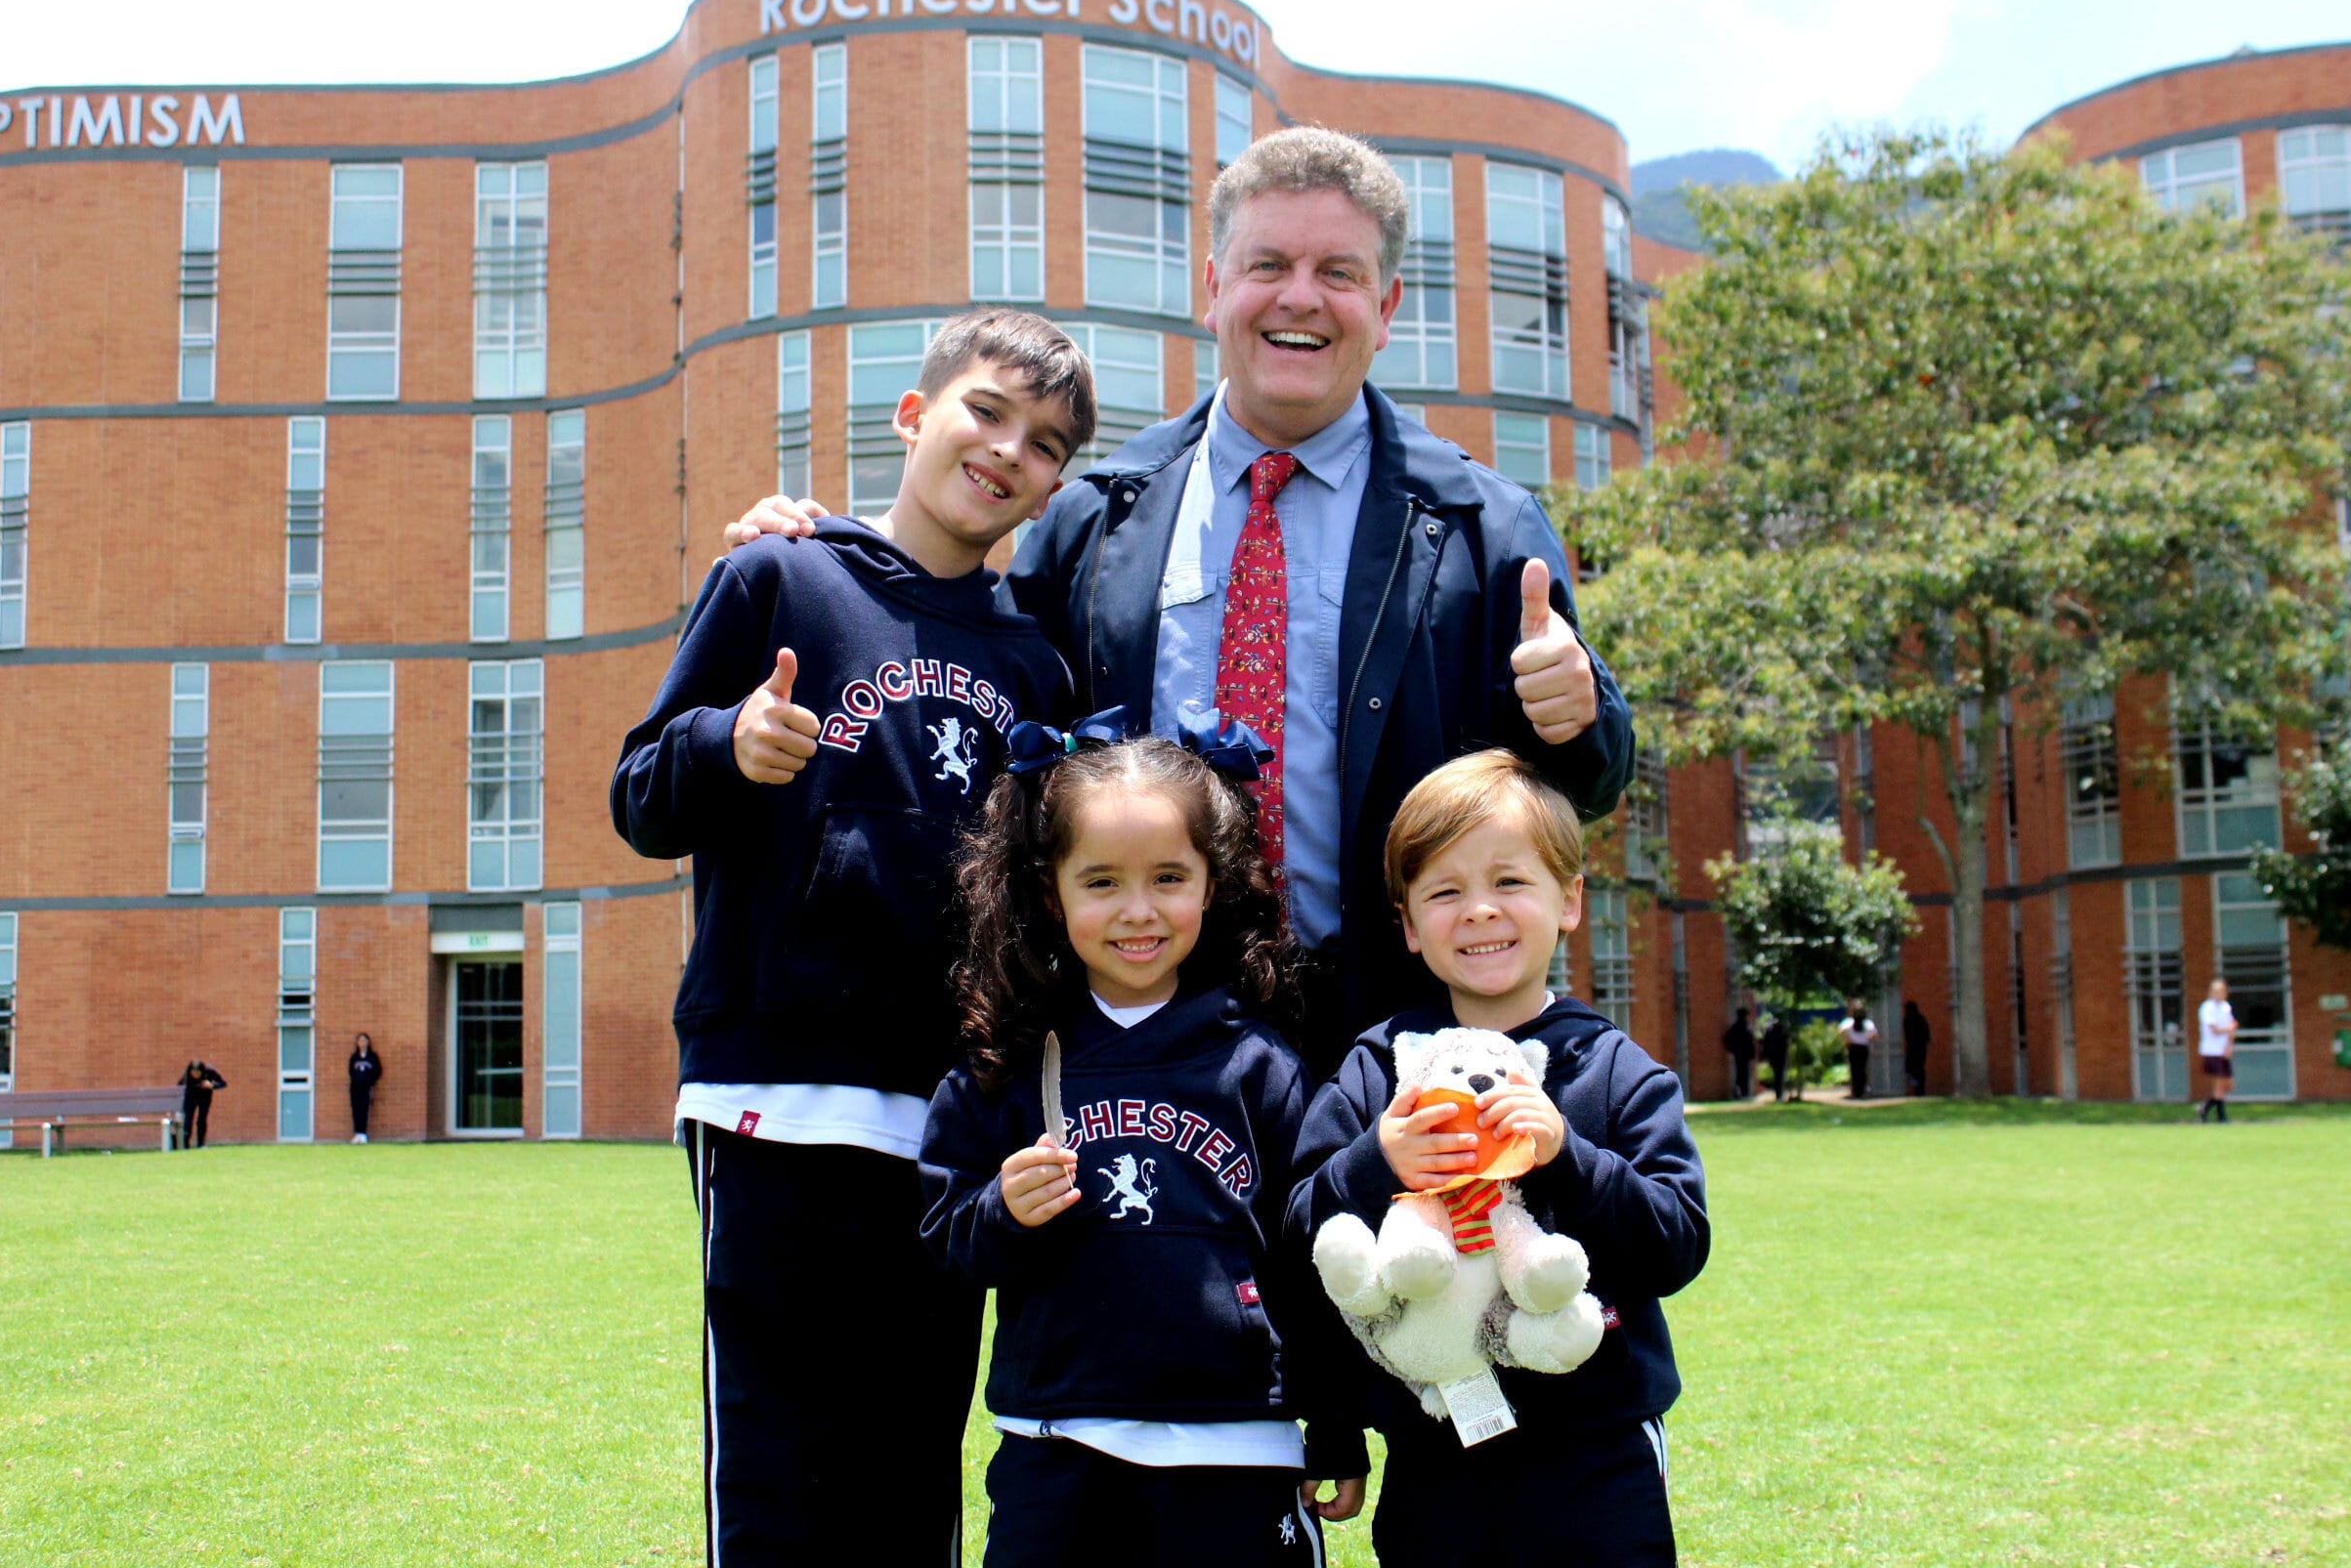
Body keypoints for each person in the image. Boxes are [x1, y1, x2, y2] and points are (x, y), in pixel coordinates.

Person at [722, 126, 1634, 1064]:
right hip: (1144, 1042)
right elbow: (976, 680)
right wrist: (834, 551)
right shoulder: (1096, 518)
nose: (1299, 298)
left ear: (1388, 304)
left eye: (1339, 272)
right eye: (1268, 263)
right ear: (1211, 287)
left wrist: (1581, 713)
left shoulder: (1483, 528)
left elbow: (1580, 788)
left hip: (1397, 1042)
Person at [610, 310, 1088, 1567]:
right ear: (915, 413)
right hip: (781, 1099)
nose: (1007, 451)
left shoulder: (1034, 668)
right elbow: (640, 797)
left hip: (947, 1124)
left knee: (911, 1470)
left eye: (1045, 445)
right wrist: (730, 745)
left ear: (1051, 489)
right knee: (778, 1476)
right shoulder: (778, 579)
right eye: (987, 410)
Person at [922, 724, 1365, 1565]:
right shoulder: (1008, 1065)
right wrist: (1002, 1211)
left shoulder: (1261, 1066)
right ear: (1052, 895)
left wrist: (1336, 1421)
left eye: (1168, 877)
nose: (1138, 910)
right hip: (1058, 1446)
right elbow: (948, 1242)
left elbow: (1314, 1259)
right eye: (1101, 881)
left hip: (1237, 1450)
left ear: (1214, 883)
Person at [1287, 749, 1707, 1568]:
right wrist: (1377, 1162)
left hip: (1597, 1449)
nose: (1479, 911)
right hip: (1433, 1446)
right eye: (1446, 892)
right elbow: (1306, 1239)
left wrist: (1566, 1156)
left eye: (1510, 882)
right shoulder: (1381, 1069)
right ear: (1408, 924)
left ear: (1570, 900)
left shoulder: (1617, 1071)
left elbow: (1676, 1245)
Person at [2197, 977, 2237, 1123]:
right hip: (2212, 1051)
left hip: (2223, 1050)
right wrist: (2229, 1028)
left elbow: (2232, 1026)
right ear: (2211, 993)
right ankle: (2221, 1116)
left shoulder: (2226, 1007)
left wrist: (2229, 1046)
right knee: (2219, 1084)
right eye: (2217, 991)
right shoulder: (2207, 1008)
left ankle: (2205, 1107)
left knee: (2228, 1084)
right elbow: (2215, 1030)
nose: (2220, 994)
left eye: (2222, 991)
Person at [178, 1059, 225, 1148]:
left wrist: (212, 1085)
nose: (196, 1075)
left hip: (205, 1098)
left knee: (201, 1120)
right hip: (190, 1098)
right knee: (188, 1120)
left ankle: (201, 1143)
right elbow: (179, 1085)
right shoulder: (187, 1075)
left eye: (198, 1072)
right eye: (193, 1072)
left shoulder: (209, 1072)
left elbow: (223, 1083)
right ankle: (185, 1144)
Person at [1837, 1004, 1877, 1101]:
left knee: (1854, 1070)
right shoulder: (1868, 1023)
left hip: (1853, 1047)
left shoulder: (1849, 1022)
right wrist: (1868, 1038)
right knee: (1863, 1070)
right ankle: (1863, 1090)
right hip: (1863, 1047)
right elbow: (1875, 1034)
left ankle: (1855, 1092)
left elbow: (1841, 1030)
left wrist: (1847, 1040)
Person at [347, 1034, 381, 1143]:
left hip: (366, 1087)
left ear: (368, 1042)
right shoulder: (354, 1057)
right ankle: (357, 1133)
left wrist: (370, 1080)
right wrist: (356, 1079)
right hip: (355, 1087)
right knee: (355, 1109)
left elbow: (378, 1071)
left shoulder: (372, 1056)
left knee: (364, 1109)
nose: (362, 1043)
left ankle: (363, 1134)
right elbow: (350, 1071)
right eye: (360, 1041)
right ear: (357, 1043)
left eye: (364, 1040)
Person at [1721, 1007, 1756, 1100]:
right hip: (1742, 1054)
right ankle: (1742, 1093)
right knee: (1742, 1074)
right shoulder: (1741, 1027)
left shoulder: (1738, 1026)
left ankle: (1741, 1092)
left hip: (1741, 1054)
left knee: (1742, 1074)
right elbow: (1749, 1041)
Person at [1901, 999, 1931, 1096]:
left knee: (1910, 1067)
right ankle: (1920, 1089)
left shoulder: (1907, 1019)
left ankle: (1917, 1087)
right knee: (1919, 1068)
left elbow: (1906, 1034)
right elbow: (1927, 1035)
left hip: (1913, 1047)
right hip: (1921, 1047)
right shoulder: (1921, 1019)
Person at [1758, 1013, 1789, 1104]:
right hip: (1780, 1055)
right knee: (1779, 1076)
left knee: (1778, 1075)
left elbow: (1765, 1043)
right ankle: (1779, 1095)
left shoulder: (1770, 1029)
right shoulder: (1782, 1029)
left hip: (1773, 1056)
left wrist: (1766, 1055)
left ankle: (1778, 1094)